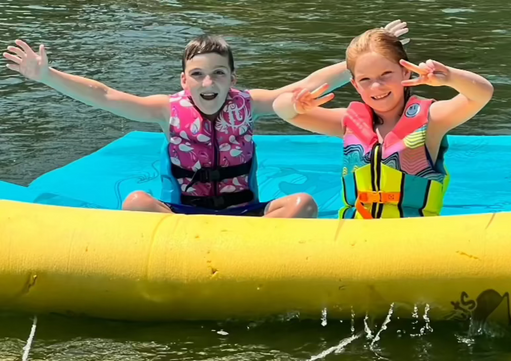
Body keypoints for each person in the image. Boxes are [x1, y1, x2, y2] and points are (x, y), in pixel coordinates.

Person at [3, 21, 409, 218]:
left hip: (247, 214)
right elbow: (105, 94)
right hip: (183, 217)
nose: (208, 81)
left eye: (218, 73)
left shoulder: (247, 104)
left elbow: (307, 83)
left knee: (303, 204)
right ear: (184, 80)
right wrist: (47, 75)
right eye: (198, 74)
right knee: (135, 203)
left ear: (233, 78)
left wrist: (361, 59)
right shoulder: (166, 110)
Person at [273, 28, 494, 219]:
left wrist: (450, 77)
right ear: (355, 85)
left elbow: (482, 94)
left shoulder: (432, 119)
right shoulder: (347, 121)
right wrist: (295, 104)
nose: (376, 87)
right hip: (356, 233)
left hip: (415, 236)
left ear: (405, 71)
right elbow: (281, 110)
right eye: (365, 79)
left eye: (386, 74)